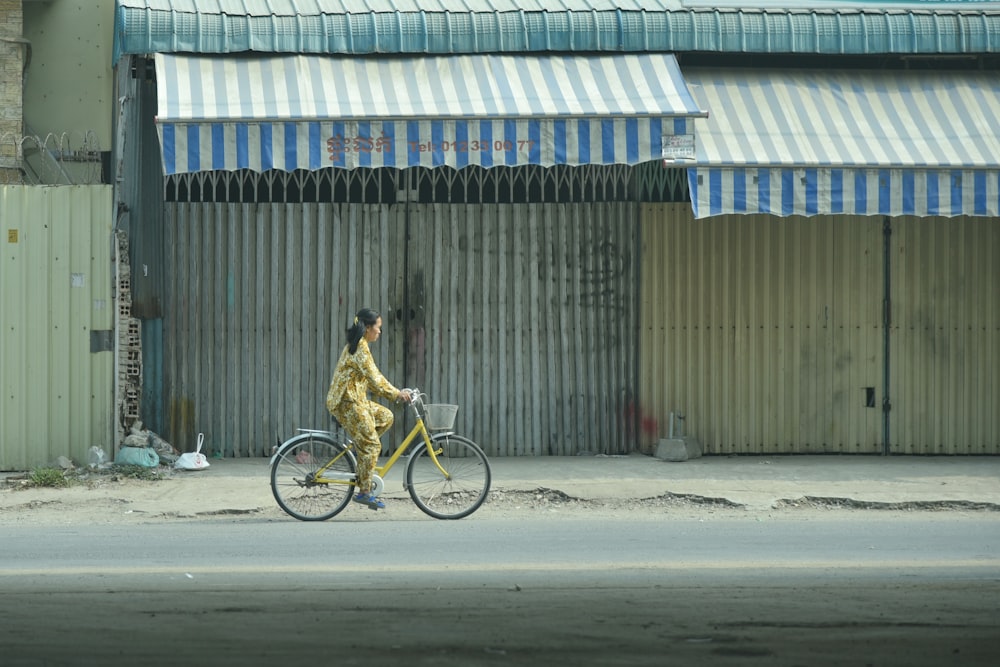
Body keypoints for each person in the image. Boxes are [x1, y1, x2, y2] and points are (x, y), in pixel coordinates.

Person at [326, 308, 411, 510]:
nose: (379, 332)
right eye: (378, 328)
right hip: (347, 402)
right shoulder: (360, 349)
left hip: (356, 399)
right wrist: (397, 394)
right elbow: (375, 380)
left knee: (386, 416)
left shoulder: (361, 345)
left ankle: (360, 450)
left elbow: (375, 376)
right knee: (373, 446)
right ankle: (364, 492)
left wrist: (396, 392)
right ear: (367, 328)